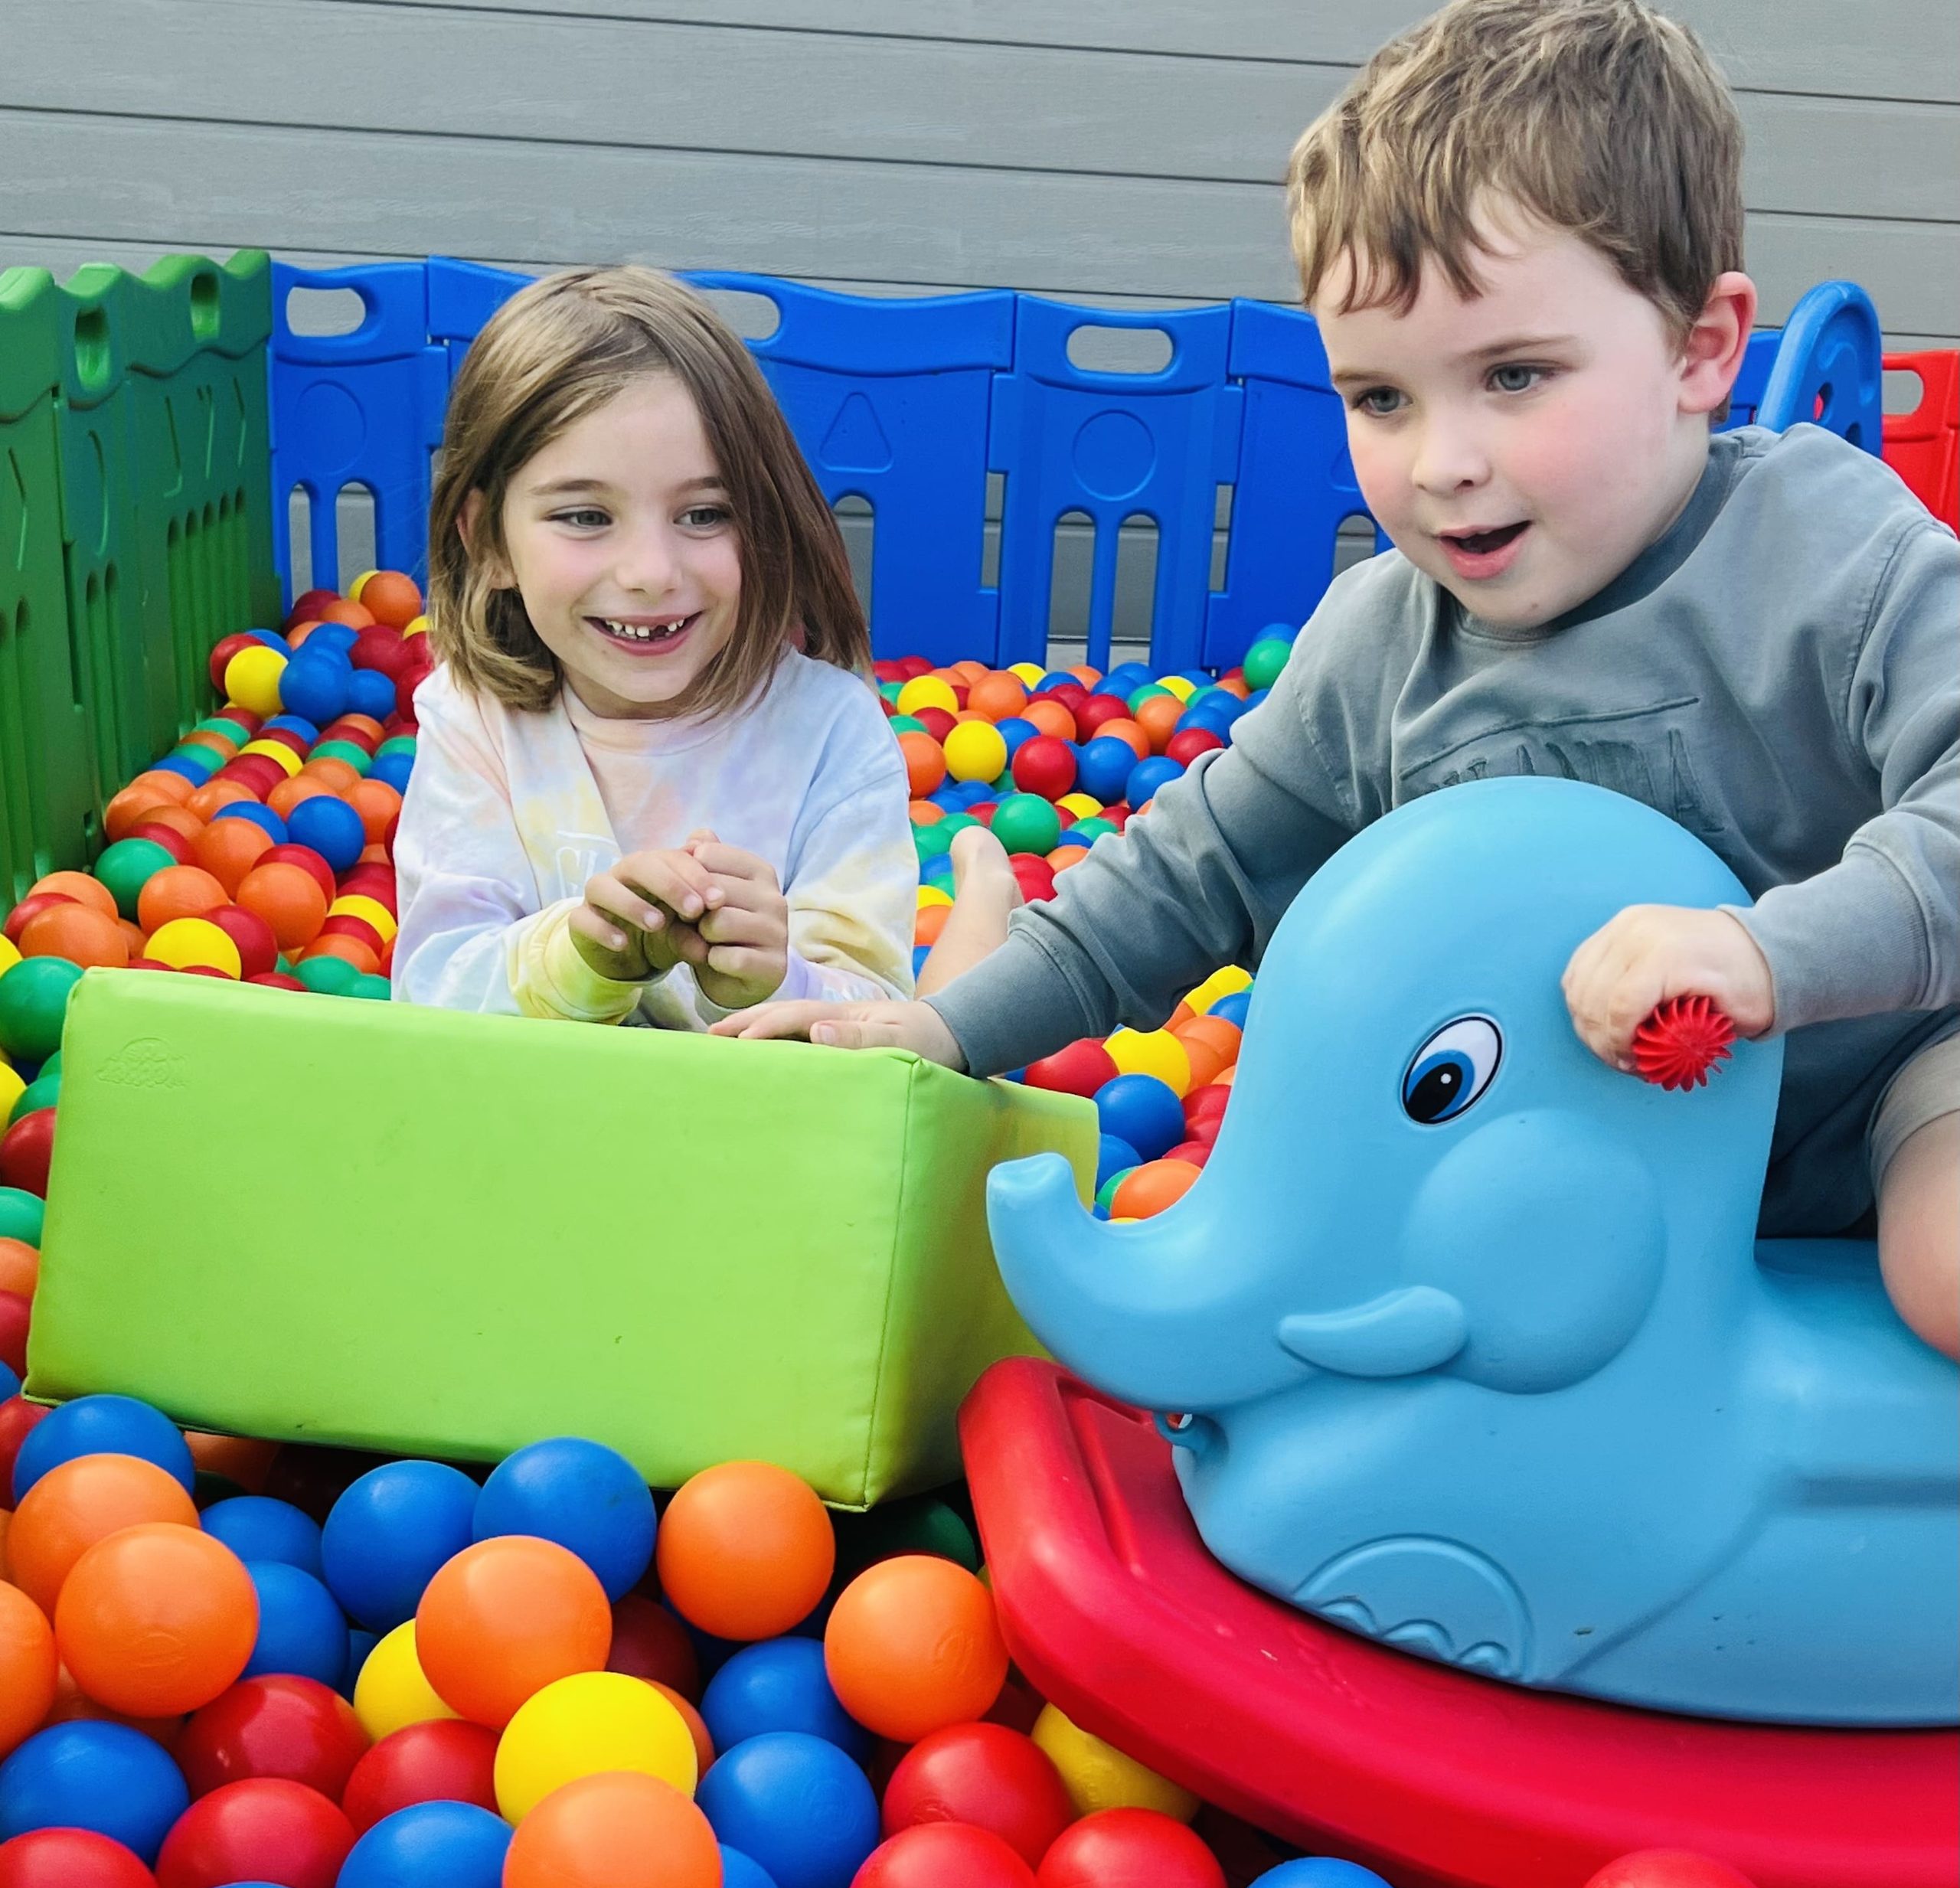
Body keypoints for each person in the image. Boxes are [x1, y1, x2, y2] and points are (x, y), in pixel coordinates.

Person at [717, 0, 1959, 1357]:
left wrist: (1765, 954)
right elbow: (1188, 871)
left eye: (1517, 375)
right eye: (1382, 399)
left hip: (1892, 1081)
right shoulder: (1378, 645)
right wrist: (939, 1029)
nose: (1441, 463)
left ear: (1701, 350)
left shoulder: (1830, 558)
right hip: (1544, 1145)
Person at [393, 266, 917, 1032]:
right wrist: (582, 955)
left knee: (970, 1023)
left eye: (704, 514)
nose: (650, 574)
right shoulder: (477, 721)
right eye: (583, 516)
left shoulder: (832, 730)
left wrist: (772, 980)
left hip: (751, 1136)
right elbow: (434, 988)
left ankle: (982, 887)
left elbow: (884, 1017)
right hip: (542, 1134)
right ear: (488, 542)